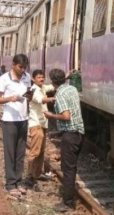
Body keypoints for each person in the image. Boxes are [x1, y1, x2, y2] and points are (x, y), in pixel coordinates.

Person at [43, 68, 84, 211]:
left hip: (69, 134)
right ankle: (69, 195)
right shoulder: (72, 89)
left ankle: (67, 202)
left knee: (68, 169)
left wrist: (51, 115)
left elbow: (66, 116)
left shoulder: (60, 94)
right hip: (79, 133)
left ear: (52, 82)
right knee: (71, 167)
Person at [0, 54, 32, 197]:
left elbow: (29, 96)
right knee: (10, 152)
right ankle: (10, 183)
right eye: (20, 67)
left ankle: (19, 180)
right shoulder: (4, 79)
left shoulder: (27, 77)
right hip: (9, 120)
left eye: (24, 67)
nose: (22, 70)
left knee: (20, 152)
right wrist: (10, 98)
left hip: (23, 118)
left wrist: (29, 96)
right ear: (13, 65)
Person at [26, 69, 55, 186]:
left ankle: (36, 174)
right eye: (38, 77)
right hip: (36, 124)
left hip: (42, 124)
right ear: (33, 79)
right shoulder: (32, 90)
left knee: (41, 151)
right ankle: (29, 176)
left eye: (42, 77)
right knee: (35, 152)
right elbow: (40, 100)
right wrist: (52, 99)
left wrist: (66, 76)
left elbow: (51, 87)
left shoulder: (42, 87)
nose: (41, 79)